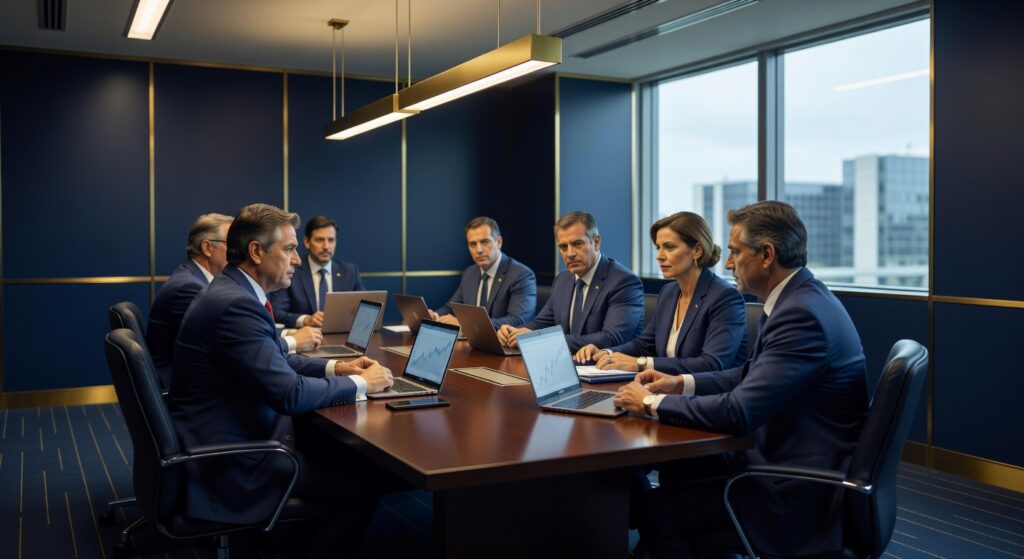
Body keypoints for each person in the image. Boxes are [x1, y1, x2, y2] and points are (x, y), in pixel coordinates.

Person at [614, 201, 868, 558]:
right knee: (678, 472)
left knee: (657, 512)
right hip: (786, 459)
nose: (728, 262)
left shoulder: (801, 316)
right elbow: (748, 375)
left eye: (735, 252)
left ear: (766, 254)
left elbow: (739, 412)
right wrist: (681, 383)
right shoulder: (797, 299)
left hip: (793, 489)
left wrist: (649, 402)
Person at [169, 203, 394, 557]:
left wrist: (338, 369)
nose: (298, 260)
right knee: (365, 481)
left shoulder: (233, 291)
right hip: (233, 464)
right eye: (289, 249)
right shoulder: (235, 305)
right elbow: (288, 394)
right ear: (257, 252)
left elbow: (277, 356)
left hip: (227, 434)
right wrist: (364, 385)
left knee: (342, 453)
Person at [147, 213, 321, 390]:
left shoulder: (201, 281)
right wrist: (292, 341)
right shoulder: (192, 288)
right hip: (186, 390)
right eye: (231, 244)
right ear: (207, 248)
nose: (239, 251)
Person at [574, 211, 747, 374]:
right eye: (658, 248)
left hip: (709, 398)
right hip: (666, 390)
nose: (659, 256)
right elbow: (643, 345)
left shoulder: (725, 297)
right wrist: (607, 353)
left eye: (669, 247)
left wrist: (641, 364)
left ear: (697, 251)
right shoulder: (669, 292)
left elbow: (712, 364)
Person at [498, 211, 643, 353]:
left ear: (596, 242)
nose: (570, 253)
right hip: (567, 364)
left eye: (577, 243)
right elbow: (542, 323)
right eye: (563, 247)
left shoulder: (624, 282)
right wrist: (517, 332)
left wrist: (539, 340)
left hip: (609, 371)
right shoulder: (563, 279)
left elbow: (611, 338)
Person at [430, 216, 537, 328]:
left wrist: (466, 324)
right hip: (472, 342)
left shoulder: (521, 275)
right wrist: (435, 316)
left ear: (499, 242)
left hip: (502, 344)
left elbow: (518, 319)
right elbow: (452, 307)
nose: (479, 250)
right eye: (473, 244)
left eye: (485, 242)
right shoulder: (470, 273)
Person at [268, 215, 366, 328]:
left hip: (341, 337)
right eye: (320, 240)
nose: (326, 246)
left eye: (331, 240)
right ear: (307, 242)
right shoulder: (290, 271)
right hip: (305, 339)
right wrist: (306, 320)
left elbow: (365, 309)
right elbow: (276, 312)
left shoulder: (350, 271)